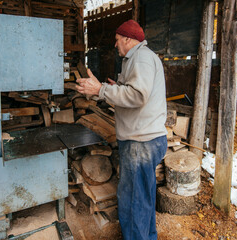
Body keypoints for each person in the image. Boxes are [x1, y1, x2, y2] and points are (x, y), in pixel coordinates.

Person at [76, 20, 167, 240]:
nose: (115, 45)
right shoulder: (136, 59)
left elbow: (137, 95)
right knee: (141, 198)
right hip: (142, 140)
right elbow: (135, 91)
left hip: (141, 143)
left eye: (117, 40)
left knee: (134, 200)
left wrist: (101, 90)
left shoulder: (141, 58)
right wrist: (114, 89)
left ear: (127, 39)